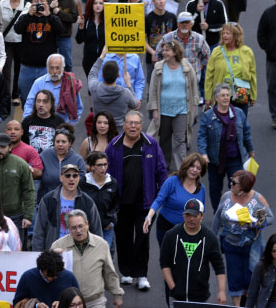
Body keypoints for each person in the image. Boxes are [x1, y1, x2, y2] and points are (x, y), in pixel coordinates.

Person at [106, 110, 167, 291]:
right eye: (129, 123)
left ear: (141, 125)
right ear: (124, 125)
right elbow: (105, 170)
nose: (133, 126)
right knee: (123, 239)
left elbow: (162, 171)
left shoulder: (151, 144)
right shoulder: (114, 145)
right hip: (120, 204)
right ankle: (126, 272)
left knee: (142, 239)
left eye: (136, 123)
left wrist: (161, 197)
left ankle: (141, 275)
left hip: (145, 203)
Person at [213, 170, 273, 306]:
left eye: (234, 183)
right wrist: (212, 238)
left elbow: (270, 218)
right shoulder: (226, 196)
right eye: (231, 180)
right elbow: (217, 217)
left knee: (250, 279)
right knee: (234, 281)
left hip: (251, 246)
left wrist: (255, 223)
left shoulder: (257, 199)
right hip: (231, 245)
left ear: (244, 186)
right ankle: (237, 306)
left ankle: (247, 303)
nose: (230, 184)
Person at [198, 83, 255, 213]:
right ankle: (219, 213)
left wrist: (250, 150)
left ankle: (236, 214)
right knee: (215, 188)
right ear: (216, 98)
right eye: (222, 95)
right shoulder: (208, 116)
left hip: (235, 159)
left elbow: (246, 133)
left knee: (238, 187)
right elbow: (201, 137)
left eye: (228, 95)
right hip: (215, 161)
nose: (226, 98)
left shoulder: (239, 114)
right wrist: (203, 154)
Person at [51, 209, 123, 308]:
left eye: (81, 226)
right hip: (69, 303)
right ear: (68, 228)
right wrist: (53, 258)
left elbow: (109, 271)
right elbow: (48, 275)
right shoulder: (58, 245)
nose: (78, 231)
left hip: (95, 301)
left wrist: (117, 294)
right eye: (73, 228)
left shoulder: (101, 244)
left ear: (87, 224)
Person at [160, 199, 227, 305]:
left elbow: (219, 267)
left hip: (200, 298)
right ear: (183, 215)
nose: (191, 219)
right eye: (188, 215)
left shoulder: (209, 237)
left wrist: (222, 291)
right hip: (176, 297)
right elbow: (164, 263)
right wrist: (173, 287)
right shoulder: (171, 235)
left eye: (195, 216)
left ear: (201, 216)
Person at [146, 40, 199, 172]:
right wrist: (155, 110)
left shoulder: (186, 67)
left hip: (182, 109)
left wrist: (192, 108)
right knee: (164, 139)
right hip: (164, 110)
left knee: (180, 140)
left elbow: (193, 88)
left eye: (167, 50)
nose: (164, 53)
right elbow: (152, 90)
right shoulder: (158, 67)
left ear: (175, 52)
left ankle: (182, 169)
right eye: (163, 50)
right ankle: (164, 167)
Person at [143, 152, 207, 250]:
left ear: (201, 172)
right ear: (186, 166)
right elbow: (159, 200)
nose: (194, 170)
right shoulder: (172, 181)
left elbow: (201, 212)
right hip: (166, 228)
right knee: (169, 259)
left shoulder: (201, 189)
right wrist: (149, 216)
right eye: (192, 166)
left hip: (188, 230)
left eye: (198, 168)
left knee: (183, 261)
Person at [14, 0, 64, 107]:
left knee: (48, 101)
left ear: (47, 3)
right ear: (31, 4)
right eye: (36, 1)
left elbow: (61, 31)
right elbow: (17, 29)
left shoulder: (52, 18)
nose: (39, 4)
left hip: (46, 69)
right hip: (27, 67)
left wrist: (49, 15)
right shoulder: (26, 17)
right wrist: (28, 15)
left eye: (42, 1)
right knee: (27, 100)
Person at [205, 22, 257, 116]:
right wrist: (208, 97)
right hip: (221, 95)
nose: (224, 36)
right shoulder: (217, 52)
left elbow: (252, 74)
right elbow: (209, 75)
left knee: (239, 125)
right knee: (221, 126)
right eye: (223, 33)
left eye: (228, 33)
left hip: (240, 95)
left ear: (236, 35)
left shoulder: (247, 52)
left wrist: (253, 95)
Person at [23, 53, 84, 124]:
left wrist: (68, 126)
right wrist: (28, 122)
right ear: (47, 68)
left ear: (63, 68)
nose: (54, 72)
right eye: (51, 68)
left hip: (62, 127)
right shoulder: (39, 83)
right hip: (41, 126)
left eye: (57, 68)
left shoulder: (71, 84)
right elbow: (29, 105)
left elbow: (78, 108)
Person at [88, 50, 139, 128]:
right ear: (118, 75)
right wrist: (129, 84)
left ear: (102, 75)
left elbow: (92, 74)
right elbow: (135, 105)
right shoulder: (125, 93)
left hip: (99, 130)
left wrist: (101, 56)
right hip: (117, 132)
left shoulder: (94, 88)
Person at [12, 250, 79, 308]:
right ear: (40, 269)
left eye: (54, 276)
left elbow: (79, 301)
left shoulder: (69, 277)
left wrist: (62, 305)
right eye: (46, 276)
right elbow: (17, 303)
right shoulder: (27, 277)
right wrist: (36, 305)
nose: (50, 279)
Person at [257, 0, 276, 130]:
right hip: (273, 58)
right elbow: (261, 35)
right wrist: (269, 48)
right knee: (272, 87)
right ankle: (275, 116)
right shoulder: (268, 14)